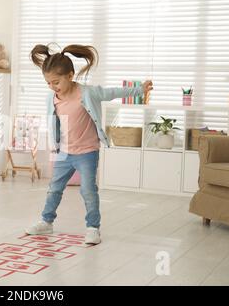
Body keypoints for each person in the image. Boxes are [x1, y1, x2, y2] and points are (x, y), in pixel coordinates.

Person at [25, 44, 153, 244]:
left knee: (88, 190)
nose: (53, 87)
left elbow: (112, 92)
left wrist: (139, 89)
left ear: (70, 75)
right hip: (64, 152)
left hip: (87, 152)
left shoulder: (87, 93)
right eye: (48, 83)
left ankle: (93, 228)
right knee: (54, 189)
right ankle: (46, 222)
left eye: (56, 82)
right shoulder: (51, 98)